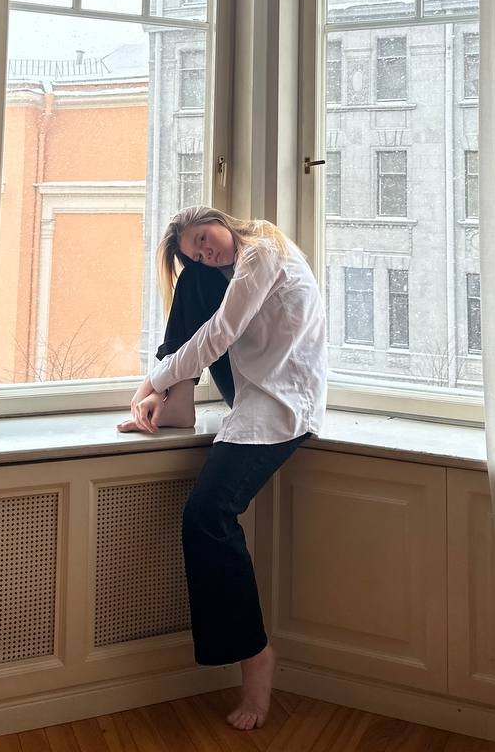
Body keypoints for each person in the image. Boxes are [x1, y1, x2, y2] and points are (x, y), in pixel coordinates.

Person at [118, 205, 327, 730]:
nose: (204, 251)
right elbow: (217, 330)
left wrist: (152, 383)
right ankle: (179, 399)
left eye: (204, 238)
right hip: (250, 383)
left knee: (207, 516)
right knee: (195, 282)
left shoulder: (263, 251)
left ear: (221, 221)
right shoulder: (224, 267)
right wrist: (165, 381)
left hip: (283, 397)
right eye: (195, 250)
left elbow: (221, 333)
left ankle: (255, 656)